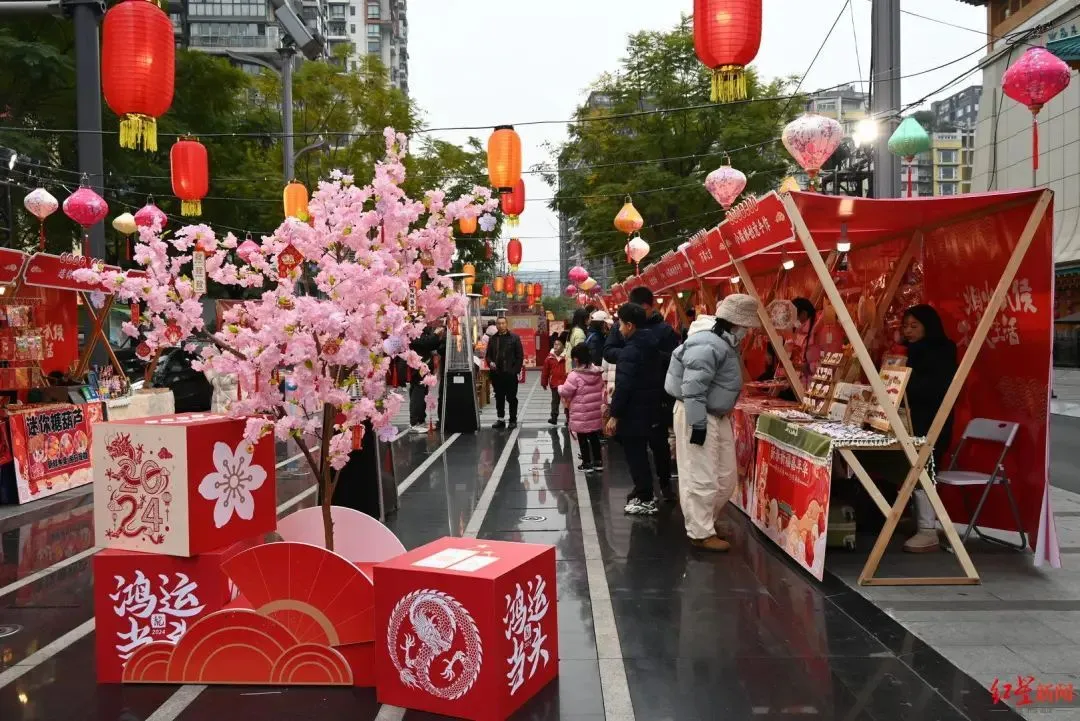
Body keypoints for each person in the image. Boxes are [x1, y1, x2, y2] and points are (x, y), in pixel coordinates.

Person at [666, 295, 760, 551]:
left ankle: (704, 522)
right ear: (735, 324)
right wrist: (698, 425)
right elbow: (693, 389)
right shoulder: (708, 343)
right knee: (701, 474)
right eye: (746, 327)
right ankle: (699, 531)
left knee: (725, 476)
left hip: (713, 414)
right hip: (698, 413)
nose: (748, 332)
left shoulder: (721, 342)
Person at [604, 286, 680, 500]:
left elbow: (674, 358)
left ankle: (660, 487)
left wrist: (636, 356)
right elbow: (608, 351)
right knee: (635, 445)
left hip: (657, 396)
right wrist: (631, 355)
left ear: (650, 307)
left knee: (655, 444)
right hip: (642, 395)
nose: (620, 328)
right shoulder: (626, 330)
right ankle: (645, 488)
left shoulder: (662, 330)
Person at [900, 304, 958, 553]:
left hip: (932, 421)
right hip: (913, 420)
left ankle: (927, 530)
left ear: (928, 326)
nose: (908, 331)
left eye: (914, 326)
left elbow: (934, 388)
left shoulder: (943, 350)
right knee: (911, 466)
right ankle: (918, 520)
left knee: (925, 467)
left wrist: (903, 379)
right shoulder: (911, 351)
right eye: (905, 326)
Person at [606, 303, 666, 515]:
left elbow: (624, 386)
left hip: (634, 412)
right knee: (644, 453)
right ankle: (646, 491)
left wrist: (614, 415)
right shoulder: (652, 345)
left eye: (620, 324)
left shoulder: (630, 351)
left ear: (630, 325)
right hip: (651, 408)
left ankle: (645, 497)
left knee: (636, 455)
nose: (619, 329)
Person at [560, 343, 605, 472]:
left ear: (576, 359)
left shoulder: (574, 376)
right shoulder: (597, 372)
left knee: (582, 438)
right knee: (594, 436)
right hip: (594, 411)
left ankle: (587, 463)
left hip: (581, 413)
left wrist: (560, 388)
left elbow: (566, 392)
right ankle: (598, 461)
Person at [485, 316, 524, 429]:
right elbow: (488, 355)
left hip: (510, 374)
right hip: (497, 374)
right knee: (499, 397)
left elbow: (519, 356)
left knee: (512, 398)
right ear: (496, 325)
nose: (501, 325)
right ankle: (500, 419)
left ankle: (512, 419)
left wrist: (515, 371)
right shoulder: (493, 339)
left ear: (507, 324)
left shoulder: (514, 338)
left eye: (503, 323)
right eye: (499, 323)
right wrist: (490, 362)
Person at [407, 323, 446, 429]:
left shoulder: (419, 331)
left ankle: (419, 419)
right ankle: (416, 421)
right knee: (418, 393)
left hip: (421, 366)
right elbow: (427, 343)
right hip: (418, 366)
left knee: (420, 392)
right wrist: (437, 335)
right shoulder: (413, 332)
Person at [541, 338, 569, 426]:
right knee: (555, 401)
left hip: (566, 383)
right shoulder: (549, 358)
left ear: (563, 347)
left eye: (558, 344)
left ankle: (568, 418)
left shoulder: (567, 357)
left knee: (566, 402)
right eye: (555, 344)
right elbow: (545, 372)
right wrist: (544, 382)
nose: (556, 346)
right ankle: (554, 417)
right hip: (555, 383)